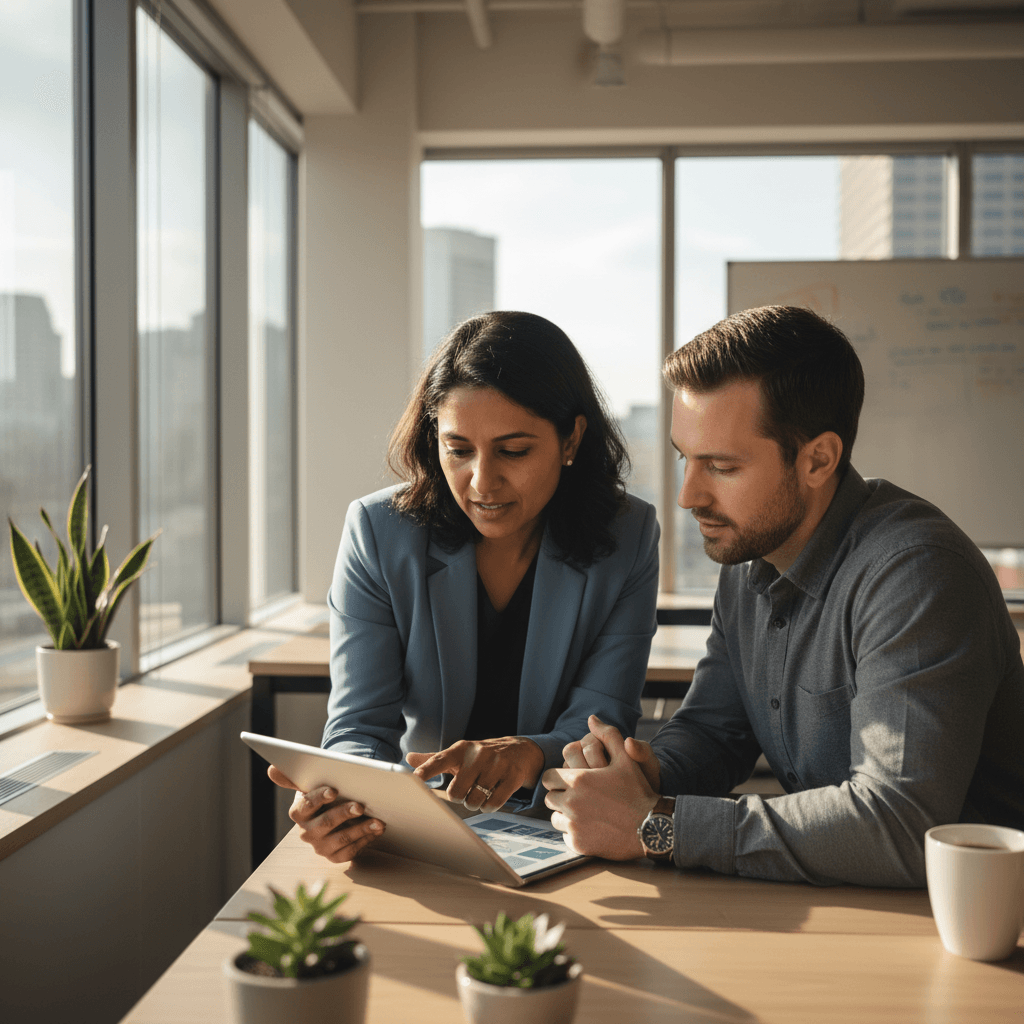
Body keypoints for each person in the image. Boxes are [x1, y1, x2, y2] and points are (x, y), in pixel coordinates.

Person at [543, 305, 1024, 887]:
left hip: (971, 919)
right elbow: (715, 733)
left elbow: (900, 825)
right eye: (683, 458)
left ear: (818, 459)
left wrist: (656, 825)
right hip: (846, 901)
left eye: (720, 466)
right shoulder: (750, 555)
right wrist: (645, 774)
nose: (688, 496)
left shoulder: (915, 574)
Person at [271, 310, 659, 864]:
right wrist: (340, 801)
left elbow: (603, 722)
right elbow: (359, 724)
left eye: (514, 450)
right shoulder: (379, 532)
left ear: (571, 438)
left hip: (566, 833)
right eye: (458, 449)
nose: (482, 481)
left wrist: (528, 754)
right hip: (417, 830)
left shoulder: (628, 535)